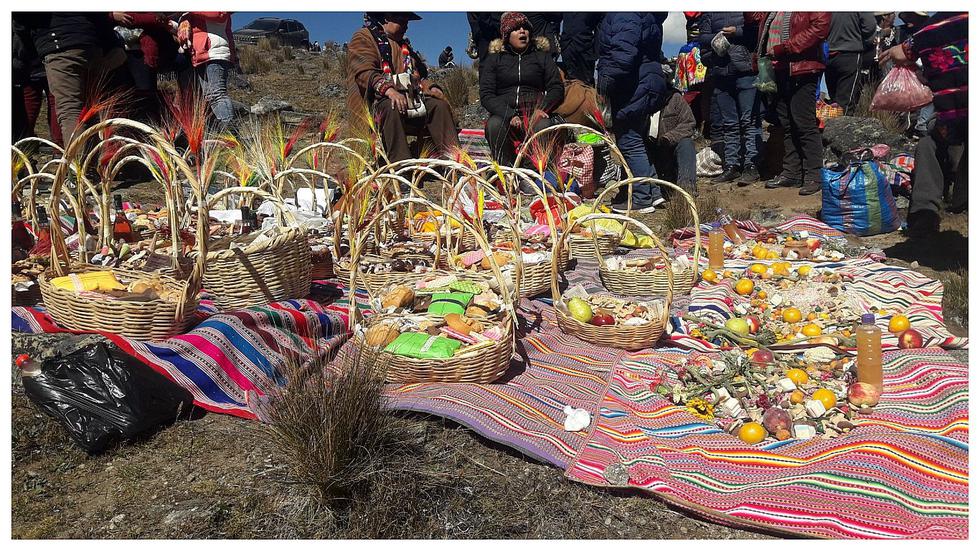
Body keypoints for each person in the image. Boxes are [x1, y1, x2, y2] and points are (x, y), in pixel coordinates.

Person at [880, 12, 968, 238]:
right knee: (931, 142)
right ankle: (934, 211)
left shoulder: (931, 29)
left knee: (934, 141)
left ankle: (929, 212)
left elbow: (901, 52)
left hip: (957, 114)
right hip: (955, 116)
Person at [347, 12, 459, 163]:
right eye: (402, 20)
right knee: (391, 106)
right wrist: (389, 90)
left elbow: (419, 76)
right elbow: (363, 71)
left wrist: (431, 87)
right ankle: (401, 166)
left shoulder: (405, 46)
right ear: (386, 17)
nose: (406, 26)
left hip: (411, 100)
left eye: (407, 21)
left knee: (438, 106)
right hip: (375, 102)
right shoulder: (363, 37)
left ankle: (454, 162)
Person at [748, 12, 831, 196]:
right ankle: (791, 173)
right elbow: (753, 17)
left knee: (804, 123)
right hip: (779, 69)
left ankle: (814, 175)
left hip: (803, 68)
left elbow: (819, 28)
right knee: (786, 123)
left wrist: (785, 48)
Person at [14, 12, 127, 141]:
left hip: (59, 43)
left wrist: (24, 50)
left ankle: (78, 160)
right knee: (91, 110)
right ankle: (93, 158)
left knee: (71, 110)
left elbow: (21, 17)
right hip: (91, 42)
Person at [597, 12, 669, 213]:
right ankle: (652, 192)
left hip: (632, 83)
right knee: (638, 139)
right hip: (647, 80)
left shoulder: (625, 13)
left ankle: (641, 197)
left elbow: (623, 52)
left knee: (629, 141)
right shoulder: (644, 14)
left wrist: (605, 84)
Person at [480, 12, 564, 167]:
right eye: (516, 28)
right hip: (505, 115)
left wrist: (541, 109)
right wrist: (509, 114)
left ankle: (531, 171)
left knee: (543, 126)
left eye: (525, 27)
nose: (522, 31)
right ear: (506, 35)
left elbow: (556, 87)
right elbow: (486, 94)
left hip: (534, 114)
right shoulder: (494, 59)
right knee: (494, 125)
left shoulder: (542, 57)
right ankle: (506, 172)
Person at [698, 12, 763, 185]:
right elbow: (702, 39)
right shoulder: (708, 13)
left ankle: (752, 166)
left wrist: (736, 32)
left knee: (750, 121)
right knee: (729, 123)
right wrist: (714, 52)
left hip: (746, 71)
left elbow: (757, 32)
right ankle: (731, 166)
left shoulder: (747, 10)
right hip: (720, 73)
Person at [177, 12, 237, 130]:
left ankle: (230, 127)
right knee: (210, 96)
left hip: (215, 51)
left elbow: (219, 14)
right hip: (200, 54)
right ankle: (224, 129)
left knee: (218, 93)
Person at [650, 86, 698, 196]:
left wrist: (669, 137)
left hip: (671, 146)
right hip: (652, 150)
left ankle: (686, 189)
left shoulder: (675, 99)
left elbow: (688, 123)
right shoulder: (643, 100)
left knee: (686, 144)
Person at [825, 12, 876, 114]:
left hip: (829, 52)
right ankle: (842, 128)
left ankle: (833, 126)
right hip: (850, 52)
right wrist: (865, 43)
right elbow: (870, 25)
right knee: (845, 101)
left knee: (834, 98)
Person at [558, 13, 603, 86]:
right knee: (569, 84)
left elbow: (602, 21)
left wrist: (596, 49)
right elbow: (555, 16)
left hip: (585, 47)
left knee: (586, 85)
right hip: (567, 45)